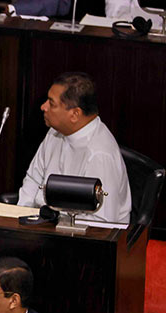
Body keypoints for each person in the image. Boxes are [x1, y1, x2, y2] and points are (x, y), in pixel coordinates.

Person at [17, 72, 131, 223]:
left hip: (81, 238)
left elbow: (101, 222)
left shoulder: (100, 154)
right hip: (43, 227)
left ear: (75, 114)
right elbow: (33, 180)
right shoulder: (54, 133)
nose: (43, 107)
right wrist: (21, 220)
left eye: (51, 103)